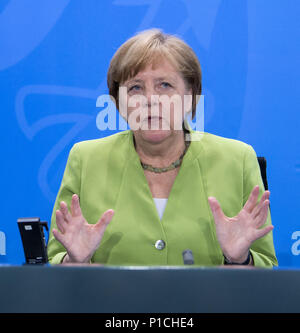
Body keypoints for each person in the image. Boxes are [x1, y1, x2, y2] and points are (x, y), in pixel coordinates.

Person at [47, 29, 278, 267]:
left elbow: (267, 267)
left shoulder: (237, 159)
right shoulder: (86, 159)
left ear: (190, 96)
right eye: (136, 87)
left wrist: (240, 259)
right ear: (117, 101)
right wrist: (75, 261)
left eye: (165, 85)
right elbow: (54, 262)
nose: (151, 99)